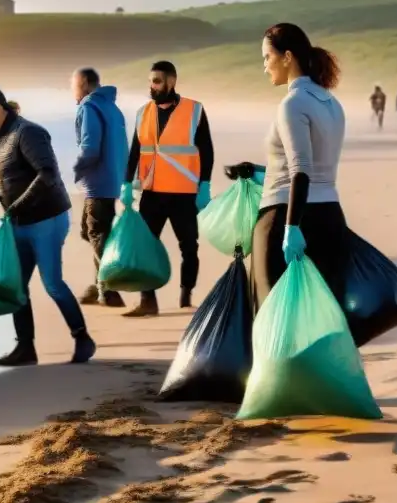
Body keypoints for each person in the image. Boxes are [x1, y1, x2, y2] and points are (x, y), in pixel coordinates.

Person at [0, 85, 96, 367]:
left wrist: (18, 206)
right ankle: (25, 348)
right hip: (17, 222)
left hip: (47, 219)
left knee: (52, 284)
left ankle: (82, 338)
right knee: (16, 286)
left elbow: (48, 174)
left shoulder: (28, 132)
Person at [228, 23, 348, 314]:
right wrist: (257, 172)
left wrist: (291, 228)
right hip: (330, 218)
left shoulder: (292, 104)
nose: (265, 66)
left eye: (267, 57)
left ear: (287, 56)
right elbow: (313, 166)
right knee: (322, 317)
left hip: (285, 218)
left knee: (273, 319)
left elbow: (301, 170)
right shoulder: (331, 102)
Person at [122, 60, 213, 317]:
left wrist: (204, 183)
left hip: (184, 192)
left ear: (171, 82)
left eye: (157, 81)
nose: (152, 86)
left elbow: (206, 150)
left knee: (189, 247)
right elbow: (134, 151)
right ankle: (147, 300)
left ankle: (186, 297)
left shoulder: (194, 110)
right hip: (151, 192)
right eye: (150, 81)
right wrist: (126, 182)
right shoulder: (143, 112)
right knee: (146, 246)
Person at [70, 67, 128, 309]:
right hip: (112, 179)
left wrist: (76, 169)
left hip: (98, 182)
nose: (72, 90)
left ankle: (109, 289)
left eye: (73, 85)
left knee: (97, 233)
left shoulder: (89, 106)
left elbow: (90, 146)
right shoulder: (112, 107)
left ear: (83, 83)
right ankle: (98, 285)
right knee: (90, 230)